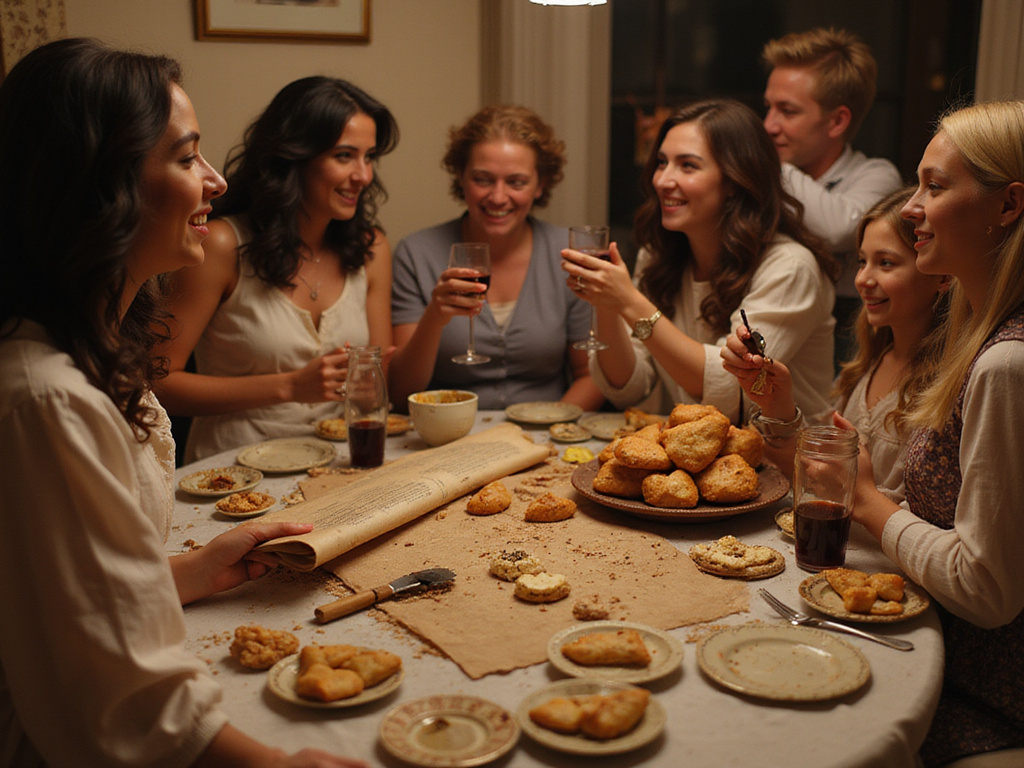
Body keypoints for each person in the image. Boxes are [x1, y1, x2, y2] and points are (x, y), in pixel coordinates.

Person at [0, 38, 367, 768]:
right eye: (185, 157)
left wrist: (194, 571)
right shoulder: (47, 400)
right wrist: (273, 764)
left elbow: (72, 600)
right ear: (101, 184)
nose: (215, 182)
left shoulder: (93, 357)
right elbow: (114, 690)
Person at [843, 101, 1024, 767]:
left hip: (981, 695)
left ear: (1009, 205)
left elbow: (988, 589)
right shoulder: (977, 335)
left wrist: (866, 500)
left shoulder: (1006, 364)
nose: (913, 208)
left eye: (935, 187)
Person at [153, 76, 398, 462]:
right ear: (293, 157)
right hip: (231, 474)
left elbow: (378, 381)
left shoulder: (372, 249)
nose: (364, 175)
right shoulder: (221, 245)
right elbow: (157, 383)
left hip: (338, 467)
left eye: (369, 158)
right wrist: (290, 386)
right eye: (344, 156)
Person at [562, 99, 838, 424]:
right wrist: (607, 305)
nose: (663, 180)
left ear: (734, 180)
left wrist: (629, 301)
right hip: (696, 449)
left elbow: (731, 389)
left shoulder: (790, 267)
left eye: (688, 166)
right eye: (662, 162)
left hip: (788, 452)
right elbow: (629, 386)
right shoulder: (659, 255)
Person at [721, 186, 948, 501]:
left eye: (886, 263)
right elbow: (821, 478)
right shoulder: (868, 364)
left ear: (940, 274)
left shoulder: (949, 384)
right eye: (862, 261)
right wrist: (778, 407)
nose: (863, 279)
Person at [389, 105, 604, 412]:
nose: (498, 197)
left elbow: (590, 374)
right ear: (461, 177)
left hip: (547, 431)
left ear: (541, 184)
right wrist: (434, 318)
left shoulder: (569, 254)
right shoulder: (416, 253)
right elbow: (401, 392)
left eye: (516, 182)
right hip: (448, 432)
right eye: (483, 179)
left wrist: (547, 426)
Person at [762, 27, 903, 369]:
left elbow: (842, 230)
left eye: (787, 111)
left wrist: (767, 161)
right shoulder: (770, 176)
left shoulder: (876, 176)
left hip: (849, 337)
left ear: (837, 121)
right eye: (768, 108)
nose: (768, 125)